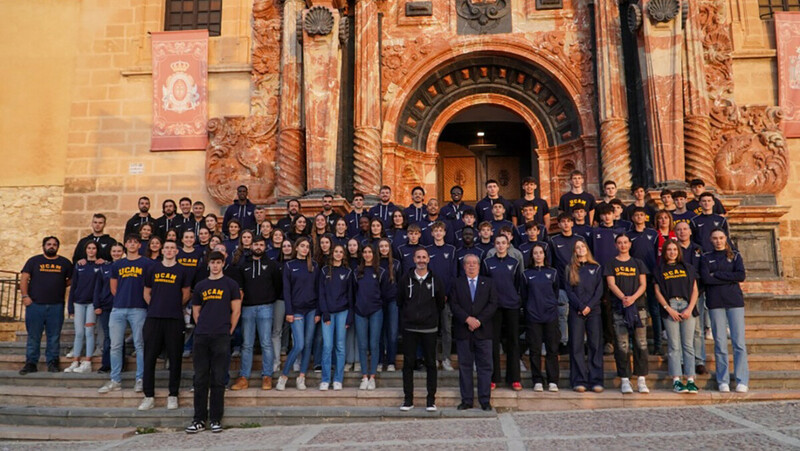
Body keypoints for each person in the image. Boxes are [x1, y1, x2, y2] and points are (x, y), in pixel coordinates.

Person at [185, 251, 242, 434]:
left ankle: (216, 419)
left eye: (218, 262)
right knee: (200, 378)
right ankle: (199, 419)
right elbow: (196, 311)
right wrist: (203, 327)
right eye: (213, 262)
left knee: (218, 379)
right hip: (202, 336)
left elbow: (236, 311)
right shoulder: (201, 285)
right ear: (208, 264)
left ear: (223, 263)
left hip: (221, 336)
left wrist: (228, 331)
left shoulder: (230, 284)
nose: (215, 265)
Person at [98, 235, 155, 394]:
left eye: (135, 242)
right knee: (115, 345)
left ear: (139, 245)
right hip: (118, 309)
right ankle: (115, 379)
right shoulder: (118, 264)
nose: (132, 244)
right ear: (125, 245)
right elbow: (114, 288)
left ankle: (140, 378)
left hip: (139, 309)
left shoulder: (147, 263)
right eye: (129, 242)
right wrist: (123, 299)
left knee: (140, 345)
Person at [139, 240, 191, 410]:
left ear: (177, 251)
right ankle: (148, 396)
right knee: (150, 357)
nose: (169, 250)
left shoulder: (182, 270)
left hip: (174, 318)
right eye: (166, 248)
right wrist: (154, 305)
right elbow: (147, 292)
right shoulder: (152, 268)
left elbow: (185, 294)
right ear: (162, 250)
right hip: (154, 317)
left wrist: (174, 306)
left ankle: (173, 395)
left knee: (175, 358)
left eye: (172, 248)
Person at [701, 229, 749, 393]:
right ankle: (723, 380)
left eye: (721, 238)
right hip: (715, 302)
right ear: (711, 240)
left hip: (734, 301)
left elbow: (740, 275)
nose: (718, 241)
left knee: (738, 343)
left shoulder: (734, 256)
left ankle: (742, 379)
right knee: (720, 343)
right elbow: (706, 278)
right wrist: (728, 276)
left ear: (725, 239)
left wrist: (718, 275)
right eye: (715, 238)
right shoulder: (706, 257)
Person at [231, 236, 282, 391]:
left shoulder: (272, 265)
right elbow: (239, 288)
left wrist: (270, 298)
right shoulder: (243, 265)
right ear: (251, 246)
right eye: (256, 244)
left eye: (261, 244)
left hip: (266, 307)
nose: (258, 247)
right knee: (247, 344)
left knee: (266, 343)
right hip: (247, 308)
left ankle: (267, 376)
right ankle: (243, 377)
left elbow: (277, 285)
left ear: (265, 247)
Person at [397, 248, 445, 412]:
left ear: (428, 259)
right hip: (410, 327)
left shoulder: (436, 279)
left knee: (431, 364)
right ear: (414, 259)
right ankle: (408, 400)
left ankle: (431, 400)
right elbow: (400, 301)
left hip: (429, 328)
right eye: (418, 257)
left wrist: (431, 316)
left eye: (424, 257)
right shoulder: (405, 279)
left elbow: (440, 303)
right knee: (408, 364)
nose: (421, 260)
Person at [19, 237, 73, 375]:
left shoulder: (65, 263)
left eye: (54, 244)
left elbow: (71, 279)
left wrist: (60, 285)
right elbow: (24, 278)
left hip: (56, 306)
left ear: (58, 247)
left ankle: (53, 363)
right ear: (43, 246)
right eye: (49, 244)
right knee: (33, 336)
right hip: (35, 305)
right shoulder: (34, 261)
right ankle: (31, 363)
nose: (51, 246)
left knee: (54, 336)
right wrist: (25, 296)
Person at [605, 234, 650, 394]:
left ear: (630, 244)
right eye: (619, 243)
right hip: (619, 307)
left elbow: (643, 284)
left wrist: (633, 298)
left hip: (638, 308)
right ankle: (625, 379)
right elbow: (611, 283)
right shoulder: (611, 263)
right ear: (616, 245)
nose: (623, 245)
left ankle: (641, 379)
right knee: (622, 344)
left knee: (641, 344)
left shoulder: (638, 263)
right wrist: (624, 298)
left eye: (625, 242)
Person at [450, 253, 496, 411]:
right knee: (465, 367)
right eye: (468, 263)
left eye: (474, 263)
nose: (471, 266)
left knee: (485, 367)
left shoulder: (488, 283)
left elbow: (492, 304)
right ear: (463, 266)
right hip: (464, 331)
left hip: (484, 332)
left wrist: (478, 321)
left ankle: (485, 400)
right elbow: (454, 304)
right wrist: (467, 319)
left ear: (478, 265)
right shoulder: (457, 283)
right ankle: (467, 400)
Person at [654, 240, 699, 394]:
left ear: (678, 252)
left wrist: (690, 308)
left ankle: (691, 379)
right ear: (665, 252)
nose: (672, 252)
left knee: (688, 345)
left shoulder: (688, 268)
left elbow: (695, 290)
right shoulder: (660, 269)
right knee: (674, 346)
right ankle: (677, 380)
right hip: (670, 306)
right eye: (669, 250)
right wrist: (668, 309)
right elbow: (657, 292)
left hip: (687, 306)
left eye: (675, 249)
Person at [276, 238, 320, 391]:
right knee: (299, 344)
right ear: (296, 247)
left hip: (312, 309)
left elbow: (318, 289)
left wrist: (318, 311)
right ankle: (284, 376)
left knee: (308, 345)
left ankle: (301, 377)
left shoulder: (314, 266)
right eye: (302, 246)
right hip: (296, 310)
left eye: (307, 247)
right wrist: (289, 311)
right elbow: (286, 291)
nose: (305, 249)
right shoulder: (289, 265)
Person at [482, 234, 523, 391]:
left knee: (513, 341)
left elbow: (518, 283)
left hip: (511, 305)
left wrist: (517, 299)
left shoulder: (514, 262)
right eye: (498, 243)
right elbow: (484, 284)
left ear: (508, 244)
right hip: (494, 307)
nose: (500, 246)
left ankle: (514, 379)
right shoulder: (487, 262)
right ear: (494, 245)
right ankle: (494, 377)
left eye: (503, 243)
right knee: (493, 342)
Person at [564, 240, 604, 392]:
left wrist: (589, 306)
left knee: (595, 345)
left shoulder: (596, 267)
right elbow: (569, 290)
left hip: (594, 311)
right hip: (577, 311)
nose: (580, 249)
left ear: (587, 249)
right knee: (576, 345)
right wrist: (580, 306)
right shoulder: (570, 268)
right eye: (577, 247)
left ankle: (596, 380)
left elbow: (599, 290)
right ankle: (579, 380)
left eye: (583, 246)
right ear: (574, 251)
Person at [521, 244, 560, 392]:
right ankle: (537, 379)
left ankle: (552, 380)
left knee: (552, 348)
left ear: (544, 255)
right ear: (532, 256)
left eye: (540, 253)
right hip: (533, 315)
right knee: (535, 349)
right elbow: (524, 295)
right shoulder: (526, 274)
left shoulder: (553, 272)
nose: (538, 255)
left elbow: (555, 292)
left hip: (550, 315)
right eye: (535, 253)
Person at [675, 222, 709, 375]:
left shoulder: (698, 249)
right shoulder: (673, 249)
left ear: (690, 232)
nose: (682, 232)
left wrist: (699, 291)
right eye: (679, 230)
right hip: (678, 294)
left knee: (697, 329)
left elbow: (703, 271)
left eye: (684, 229)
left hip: (697, 294)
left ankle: (699, 360)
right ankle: (682, 360)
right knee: (680, 330)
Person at [353, 244, 390, 389]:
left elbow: (385, 292)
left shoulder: (380, 271)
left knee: (374, 344)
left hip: (376, 311)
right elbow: (354, 292)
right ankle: (364, 376)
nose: (368, 254)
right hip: (360, 311)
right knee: (362, 345)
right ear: (362, 254)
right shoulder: (357, 272)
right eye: (365, 252)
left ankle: (372, 376)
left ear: (374, 254)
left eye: (370, 251)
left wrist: (379, 305)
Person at [627, 207, 662, 355]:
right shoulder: (628, 235)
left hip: (652, 274)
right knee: (633, 310)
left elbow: (658, 254)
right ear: (633, 218)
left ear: (646, 217)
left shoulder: (653, 234)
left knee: (654, 310)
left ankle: (658, 345)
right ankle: (633, 343)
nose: (639, 217)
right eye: (636, 215)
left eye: (642, 215)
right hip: (634, 276)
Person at [550, 213, 586, 354]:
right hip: (561, 284)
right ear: (559, 225)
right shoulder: (553, 240)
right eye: (563, 222)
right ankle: (564, 342)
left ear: (572, 223)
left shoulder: (580, 240)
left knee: (580, 312)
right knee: (562, 314)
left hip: (579, 284)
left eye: (568, 221)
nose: (565, 224)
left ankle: (581, 342)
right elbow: (551, 263)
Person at [318, 244, 353, 390]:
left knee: (340, 346)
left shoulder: (348, 272)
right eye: (336, 252)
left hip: (343, 312)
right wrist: (325, 312)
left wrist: (350, 316)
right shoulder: (324, 270)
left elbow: (351, 295)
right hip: (328, 313)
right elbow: (321, 293)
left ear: (344, 255)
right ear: (332, 254)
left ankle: (338, 379)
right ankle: (325, 379)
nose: (338, 254)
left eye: (341, 252)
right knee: (327, 346)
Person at [425, 221, 457, 371]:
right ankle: (432, 359)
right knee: (431, 328)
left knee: (446, 329)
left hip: (446, 298)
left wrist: (446, 293)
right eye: (435, 231)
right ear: (432, 233)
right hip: (430, 297)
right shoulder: (427, 250)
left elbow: (453, 274)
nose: (438, 233)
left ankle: (446, 359)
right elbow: (425, 274)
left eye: (440, 231)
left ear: (444, 233)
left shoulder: (451, 250)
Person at [65, 241, 100, 374]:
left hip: (92, 303)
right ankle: (75, 361)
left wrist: (97, 304)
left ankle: (88, 361)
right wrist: (70, 306)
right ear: (86, 250)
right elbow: (73, 286)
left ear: (97, 250)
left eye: (93, 248)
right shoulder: (79, 265)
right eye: (89, 248)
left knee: (89, 333)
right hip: (78, 303)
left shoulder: (100, 265)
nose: (91, 250)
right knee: (79, 333)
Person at [93, 243, 125, 374]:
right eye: (114, 251)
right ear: (110, 252)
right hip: (106, 306)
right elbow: (97, 288)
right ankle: (107, 364)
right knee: (108, 336)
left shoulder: (126, 266)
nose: (116, 253)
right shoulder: (103, 268)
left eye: (119, 251)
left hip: (121, 305)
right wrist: (97, 305)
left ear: (123, 252)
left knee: (119, 337)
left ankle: (120, 364)